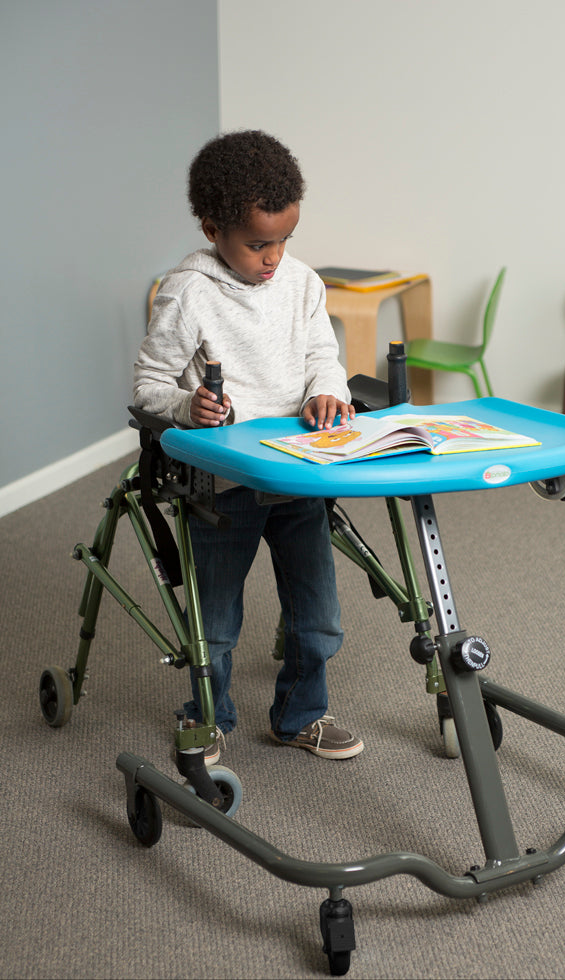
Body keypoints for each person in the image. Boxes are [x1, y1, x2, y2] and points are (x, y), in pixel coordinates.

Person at [133, 130, 363, 764]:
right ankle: (209, 717)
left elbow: (323, 357)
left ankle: (300, 714)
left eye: (284, 239)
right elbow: (150, 385)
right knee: (216, 625)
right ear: (213, 229)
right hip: (224, 485)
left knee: (318, 621)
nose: (273, 257)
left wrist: (325, 392)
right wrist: (187, 407)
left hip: (298, 476)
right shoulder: (189, 291)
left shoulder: (302, 283)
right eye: (257, 243)